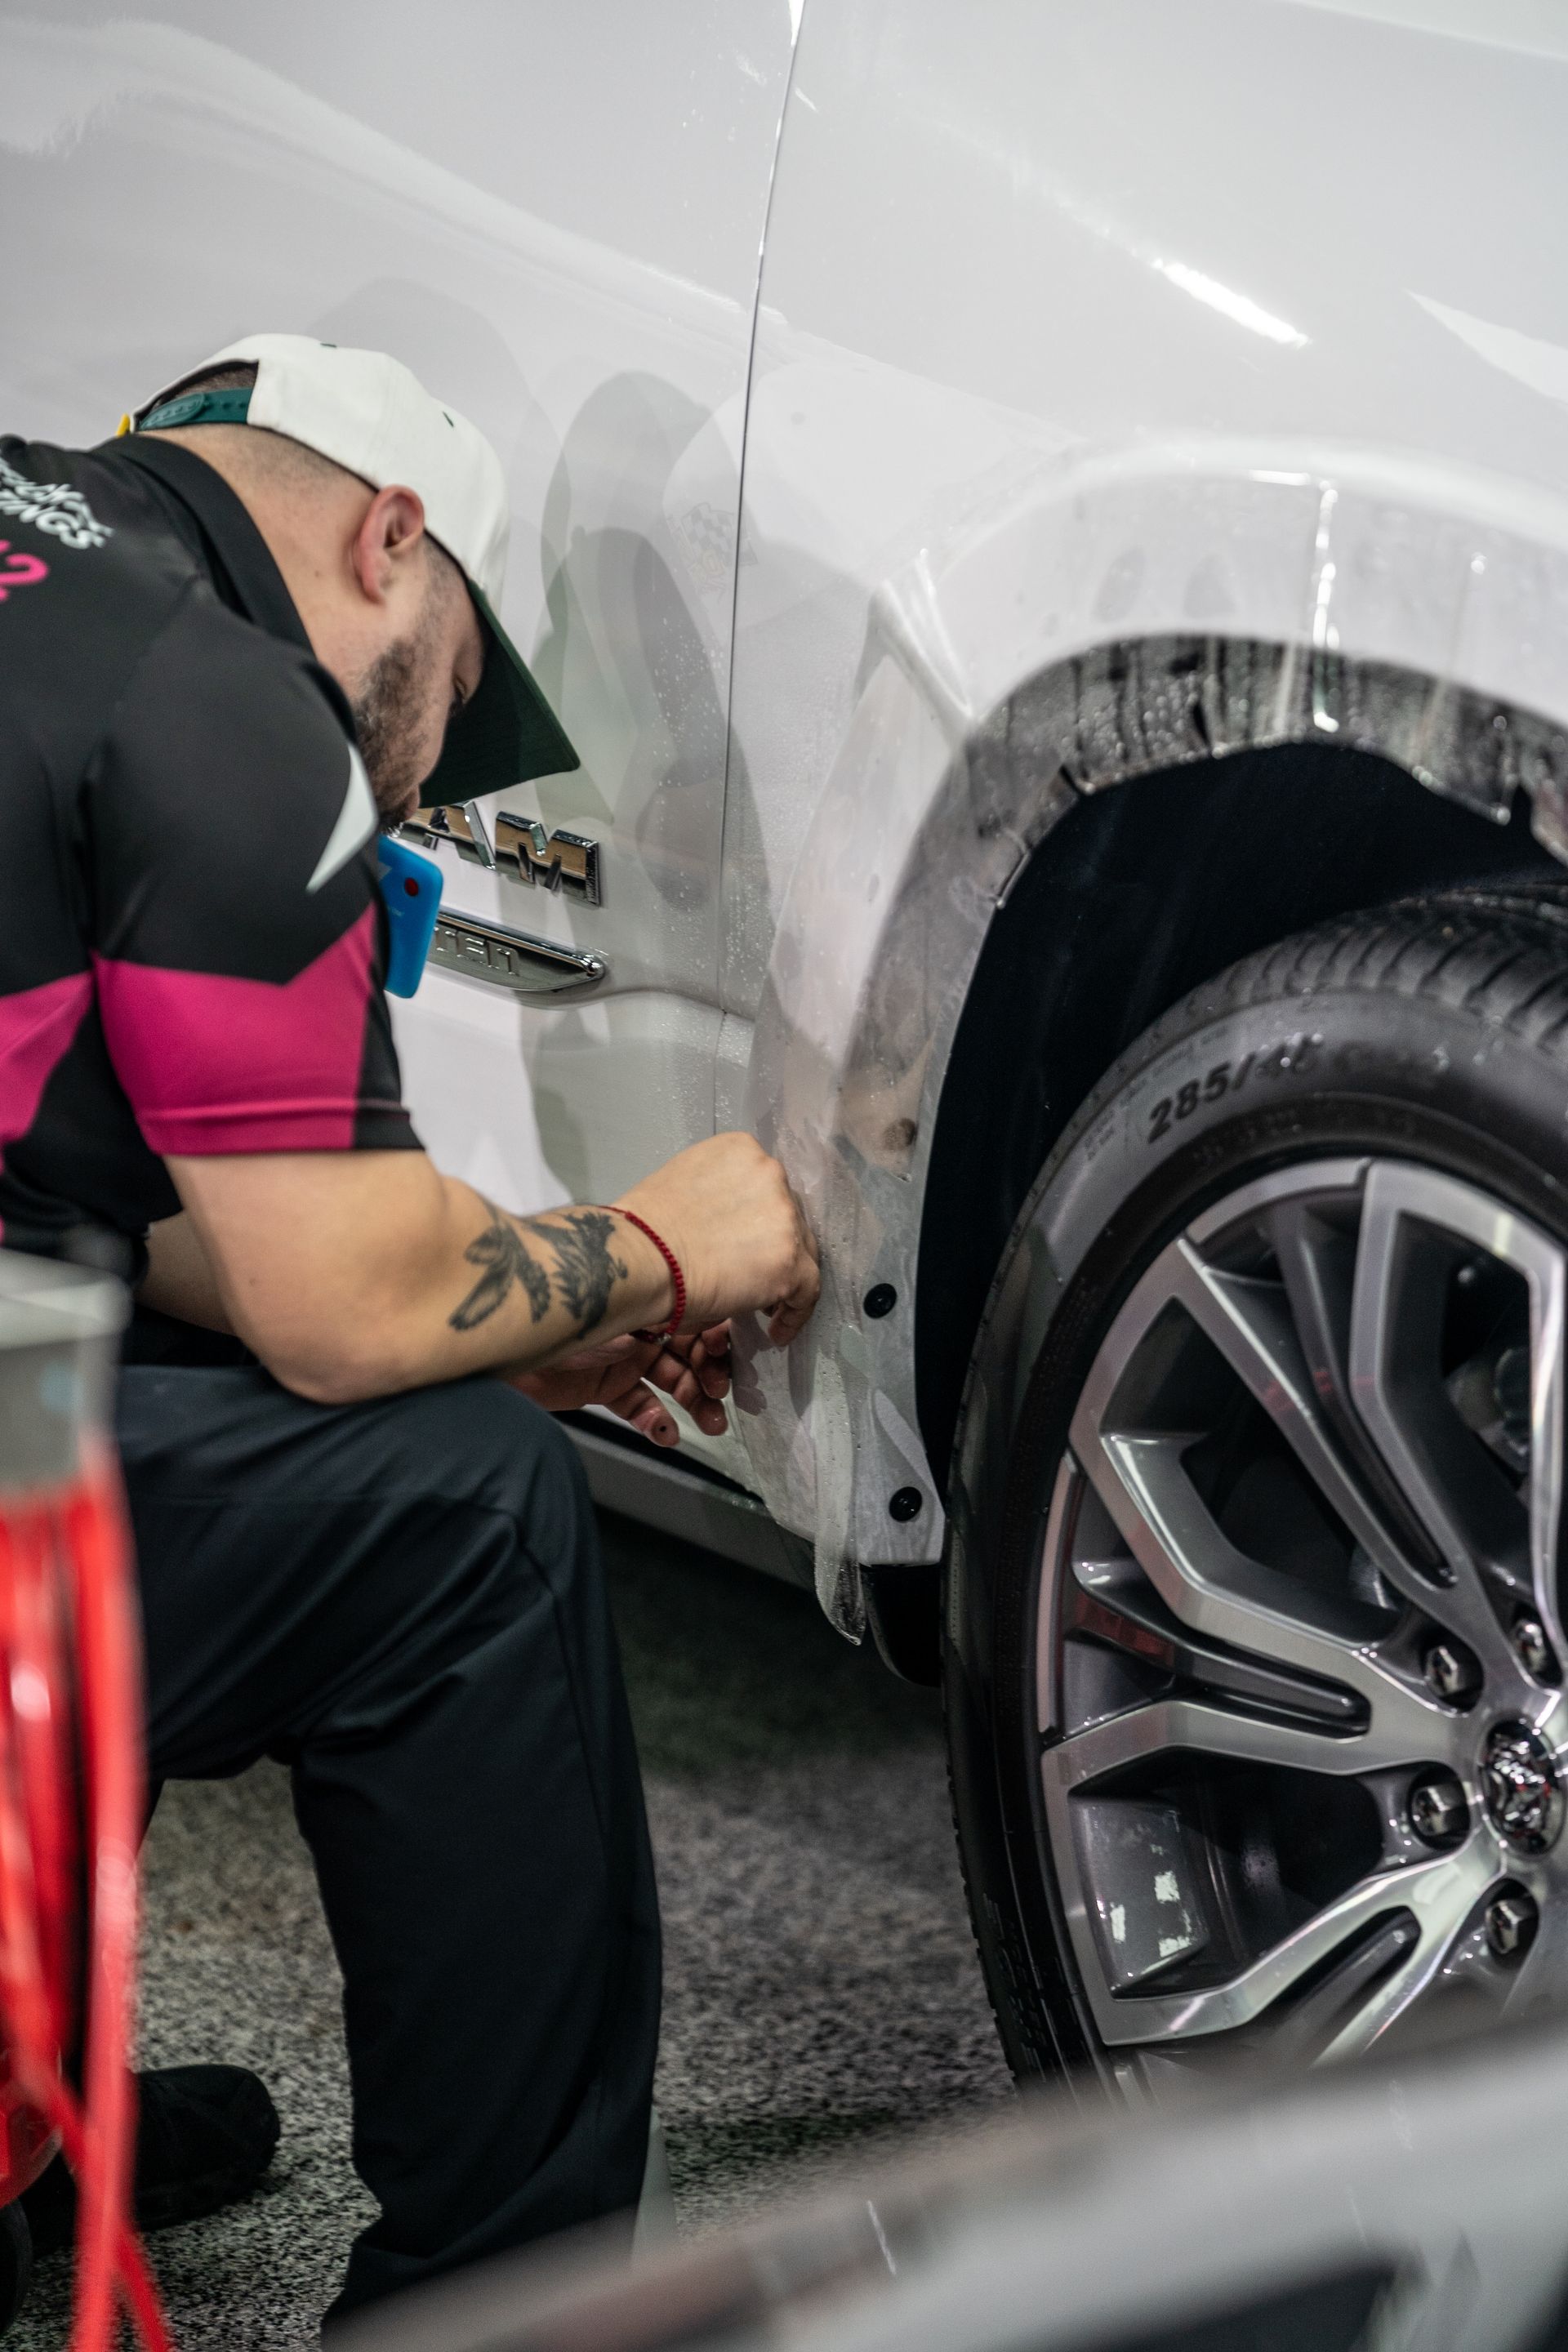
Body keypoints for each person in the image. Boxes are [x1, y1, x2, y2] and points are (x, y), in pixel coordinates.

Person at [0, 333, 819, 2326]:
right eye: (456, 692)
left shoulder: (51, 590)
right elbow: (340, 1310)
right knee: (466, 1519)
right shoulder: (222, 700)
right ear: (390, 542)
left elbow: (99, 1206)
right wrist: (662, 1245)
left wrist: (476, 1305)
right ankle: (501, 2303)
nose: (433, 776)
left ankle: (27, 2096)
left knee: (117, 1360)